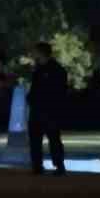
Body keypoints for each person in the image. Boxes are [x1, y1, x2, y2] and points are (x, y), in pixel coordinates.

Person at [26, 41, 68, 174]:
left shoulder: (56, 70)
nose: (33, 54)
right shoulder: (38, 69)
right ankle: (37, 165)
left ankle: (59, 165)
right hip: (37, 109)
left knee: (53, 138)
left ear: (41, 52)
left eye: (35, 51)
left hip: (50, 110)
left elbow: (59, 91)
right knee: (35, 138)